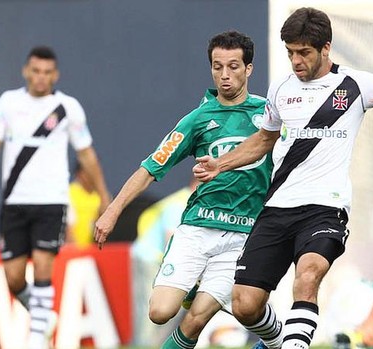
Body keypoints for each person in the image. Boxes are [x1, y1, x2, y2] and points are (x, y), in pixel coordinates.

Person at [193, 7, 373, 349]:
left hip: (325, 208)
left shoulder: (360, 85)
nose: (296, 61)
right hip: (278, 207)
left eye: (304, 53)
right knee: (245, 304)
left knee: (309, 276)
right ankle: (276, 341)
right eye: (290, 53)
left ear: (325, 48)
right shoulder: (281, 89)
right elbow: (264, 140)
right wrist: (221, 164)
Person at [93, 31, 273, 349]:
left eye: (233, 66)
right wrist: (113, 209)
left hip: (241, 235)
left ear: (249, 69)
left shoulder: (269, 116)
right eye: (218, 67)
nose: (225, 75)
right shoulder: (196, 120)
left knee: (195, 321)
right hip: (196, 229)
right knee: (160, 312)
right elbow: (151, 167)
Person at [0, 46, 111, 349]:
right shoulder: (9, 102)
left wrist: (104, 195)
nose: (41, 77)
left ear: (54, 75)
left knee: (44, 266)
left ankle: (36, 338)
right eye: (36, 71)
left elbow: (87, 155)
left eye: (47, 72)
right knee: (14, 278)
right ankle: (43, 316)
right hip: (14, 203)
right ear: (26, 71)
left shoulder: (67, 108)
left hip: (51, 202)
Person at [132, 177, 197, 346]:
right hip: (150, 259)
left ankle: (156, 345)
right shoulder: (180, 202)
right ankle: (145, 346)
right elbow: (171, 239)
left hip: (164, 261)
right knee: (149, 310)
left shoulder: (191, 202)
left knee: (169, 311)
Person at [67, 161, 102, 247]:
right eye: (88, 172)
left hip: (93, 251)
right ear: (79, 174)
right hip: (73, 251)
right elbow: (67, 229)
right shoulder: (70, 193)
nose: (91, 176)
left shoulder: (100, 196)